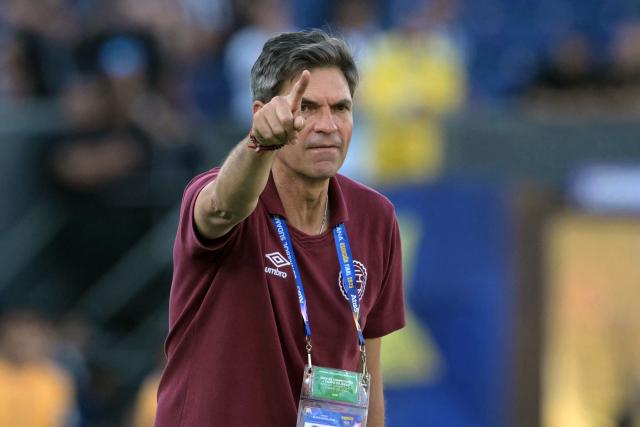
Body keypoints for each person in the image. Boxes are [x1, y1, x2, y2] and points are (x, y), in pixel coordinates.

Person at [155, 30, 405, 426]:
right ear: (262, 113)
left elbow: (367, 368)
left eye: (341, 108)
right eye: (306, 108)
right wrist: (260, 142)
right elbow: (223, 208)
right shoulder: (219, 195)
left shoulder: (376, 217)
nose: (328, 125)